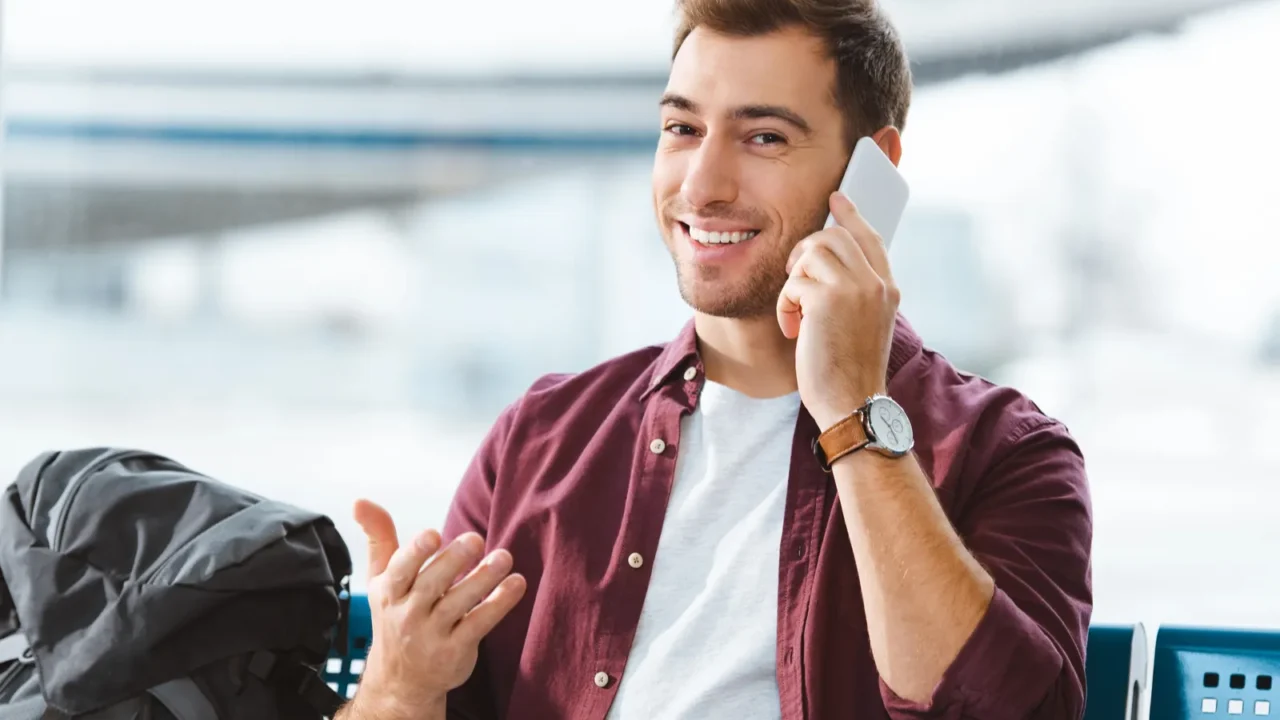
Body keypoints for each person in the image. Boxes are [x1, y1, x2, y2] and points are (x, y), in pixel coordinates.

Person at [336, 0, 1092, 717]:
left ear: (875, 170)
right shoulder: (539, 439)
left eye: (763, 136)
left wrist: (854, 412)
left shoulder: (1011, 454)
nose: (702, 184)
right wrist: (399, 692)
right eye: (681, 128)